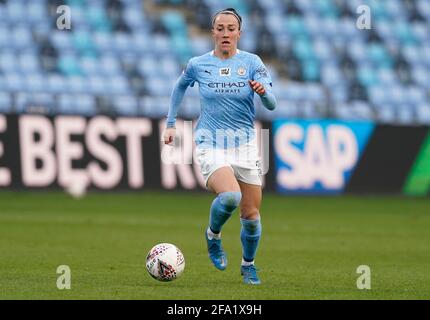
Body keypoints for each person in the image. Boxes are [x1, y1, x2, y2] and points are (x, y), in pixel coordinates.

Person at [163, 8, 276, 285]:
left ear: (239, 32)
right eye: (220, 28)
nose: (226, 33)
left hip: (246, 144)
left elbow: (272, 103)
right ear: (213, 32)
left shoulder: (252, 63)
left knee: (251, 215)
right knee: (229, 197)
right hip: (211, 141)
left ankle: (248, 265)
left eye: (231, 28)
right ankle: (213, 236)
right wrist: (170, 123)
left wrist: (264, 93)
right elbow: (179, 87)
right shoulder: (198, 64)